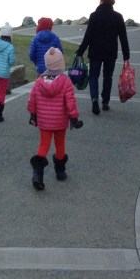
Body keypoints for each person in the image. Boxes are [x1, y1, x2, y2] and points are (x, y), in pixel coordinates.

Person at [27, 46, 83, 190]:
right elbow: (70, 102)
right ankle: (60, 171)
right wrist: (74, 117)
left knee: (43, 144)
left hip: (44, 121)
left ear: (47, 63)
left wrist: (33, 113)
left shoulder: (39, 81)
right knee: (60, 144)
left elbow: (32, 99)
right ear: (61, 63)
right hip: (59, 120)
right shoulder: (65, 81)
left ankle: (38, 173)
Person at [76, 0, 130, 115]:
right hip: (111, 52)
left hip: (95, 51)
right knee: (108, 77)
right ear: (112, 2)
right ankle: (105, 102)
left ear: (101, 1)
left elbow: (88, 36)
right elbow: (123, 37)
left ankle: (94, 99)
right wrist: (126, 55)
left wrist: (80, 51)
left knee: (94, 76)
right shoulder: (118, 16)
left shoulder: (94, 15)